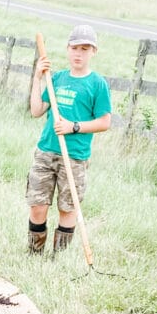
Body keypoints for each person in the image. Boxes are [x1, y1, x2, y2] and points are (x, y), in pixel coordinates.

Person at [27, 24, 112, 254]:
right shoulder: (58, 78)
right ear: (67, 49)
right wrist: (37, 78)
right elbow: (36, 110)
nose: (79, 53)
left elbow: (104, 122)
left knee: (67, 209)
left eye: (85, 49)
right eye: (75, 48)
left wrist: (73, 126)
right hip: (46, 151)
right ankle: (34, 254)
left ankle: (59, 257)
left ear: (93, 52)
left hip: (74, 157)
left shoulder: (97, 84)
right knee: (37, 206)